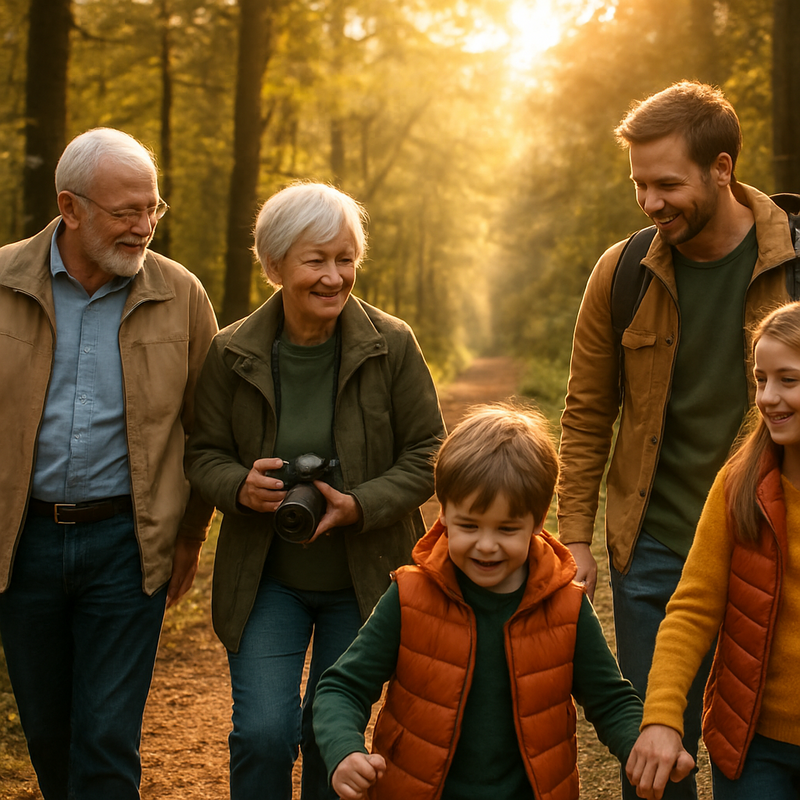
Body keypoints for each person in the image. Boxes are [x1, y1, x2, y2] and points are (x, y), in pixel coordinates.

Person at [556, 81, 797, 799]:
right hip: (654, 547)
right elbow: (586, 411)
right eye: (639, 185)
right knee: (654, 757)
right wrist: (574, 539)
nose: (651, 202)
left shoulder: (792, 265)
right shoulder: (622, 272)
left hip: (766, 540)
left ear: (721, 169)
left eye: (667, 183)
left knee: (747, 749)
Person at [185, 181, 445, 800]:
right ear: (274, 265)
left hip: (365, 581)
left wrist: (360, 504)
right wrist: (238, 486)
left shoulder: (393, 345)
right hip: (265, 579)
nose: (335, 276)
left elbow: (431, 452)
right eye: (316, 260)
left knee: (333, 739)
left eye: (345, 258)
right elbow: (201, 452)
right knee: (263, 734)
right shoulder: (231, 353)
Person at [0, 128, 218, 800]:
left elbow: (208, 430)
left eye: (153, 209)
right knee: (47, 733)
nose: (144, 227)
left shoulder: (181, 295)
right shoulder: (3, 281)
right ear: (71, 208)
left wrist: (189, 535)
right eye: (126, 212)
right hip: (22, 546)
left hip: (128, 547)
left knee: (105, 738)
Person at [313, 403, 643, 800]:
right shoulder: (409, 596)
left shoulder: (566, 607)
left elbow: (611, 701)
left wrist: (643, 746)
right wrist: (345, 750)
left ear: (537, 523)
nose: (486, 546)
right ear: (444, 514)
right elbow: (341, 687)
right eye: (469, 525)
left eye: (506, 529)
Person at [625, 301, 800, 800]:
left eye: (788, 379)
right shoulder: (739, 485)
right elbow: (691, 609)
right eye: (761, 378)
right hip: (752, 746)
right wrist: (660, 717)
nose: (768, 397)